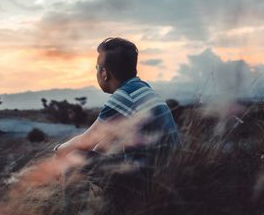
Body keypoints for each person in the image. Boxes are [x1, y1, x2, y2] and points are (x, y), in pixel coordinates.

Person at [53, 37, 180, 170]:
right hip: (170, 168)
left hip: (150, 174)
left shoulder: (124, 96)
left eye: (97, 69)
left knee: (74, 158)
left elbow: (86, 141)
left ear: (104, 73)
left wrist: (58, 151)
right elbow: (105, 141)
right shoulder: (141, 89)